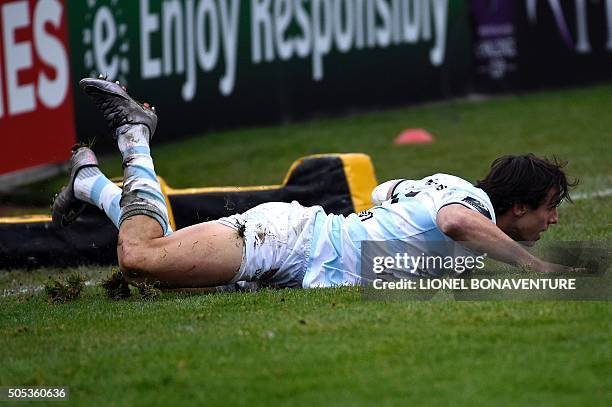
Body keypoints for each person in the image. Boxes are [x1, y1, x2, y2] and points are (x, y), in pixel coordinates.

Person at [52, 77, 578, 290]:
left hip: (297, 252)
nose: (553, 220)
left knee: (154, 260)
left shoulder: (447, 186)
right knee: (141, 259)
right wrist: (537, 267)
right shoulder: (471, 207)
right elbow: (457, 223)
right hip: (291, 241)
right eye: (549, 207)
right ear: (516, 205)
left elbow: (385, 190)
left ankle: (90, 183)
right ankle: (134, 133)